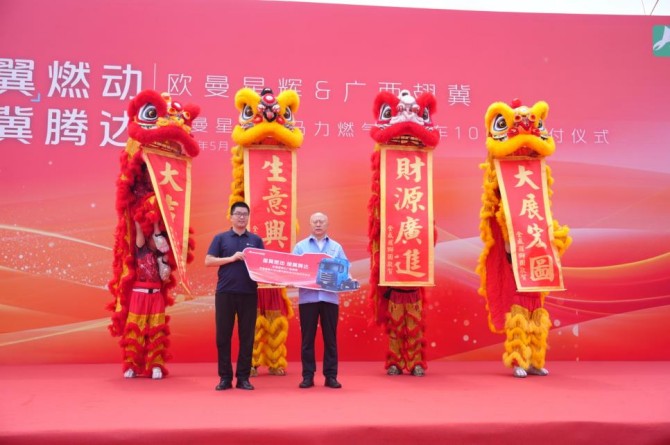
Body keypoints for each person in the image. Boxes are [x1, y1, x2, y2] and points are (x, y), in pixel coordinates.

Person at [205, 202, 264, 391]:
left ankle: (243, 378)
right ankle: (225, 378)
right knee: (223, 337)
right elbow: (208, 261)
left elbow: (263, 265)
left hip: (249, 293)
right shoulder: (221, 238)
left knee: (247, 337)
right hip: (225, 293)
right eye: (238, 214)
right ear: (231, 217)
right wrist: (231, 258)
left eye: (245, 214)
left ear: (248, 217)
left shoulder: (255, 240)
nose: (241, 217)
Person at [293, 212, 348, 389]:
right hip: (307, 299)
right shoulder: (300, 247)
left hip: (329, 299)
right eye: (315, 221)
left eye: (321, 221)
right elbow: (293, 271)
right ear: (310, 224)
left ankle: (331, 376)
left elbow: (344, 270)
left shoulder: (336, 247)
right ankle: (307, 376)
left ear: (327, 224)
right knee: (307, 340)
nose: (318, 224)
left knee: (330, 339)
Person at [121, 220, 171, 380]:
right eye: (155, 238)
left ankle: (156, 365)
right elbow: (139, 228)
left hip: (156, 296)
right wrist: (139, 217)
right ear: (149, 238)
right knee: (136, 330)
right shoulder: (141, 249)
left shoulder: (162, 256)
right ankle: (132, 366)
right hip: (139, 296)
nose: (158, 242)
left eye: (161, 239)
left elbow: (165, 276)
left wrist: (164, 262)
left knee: (157, 330)